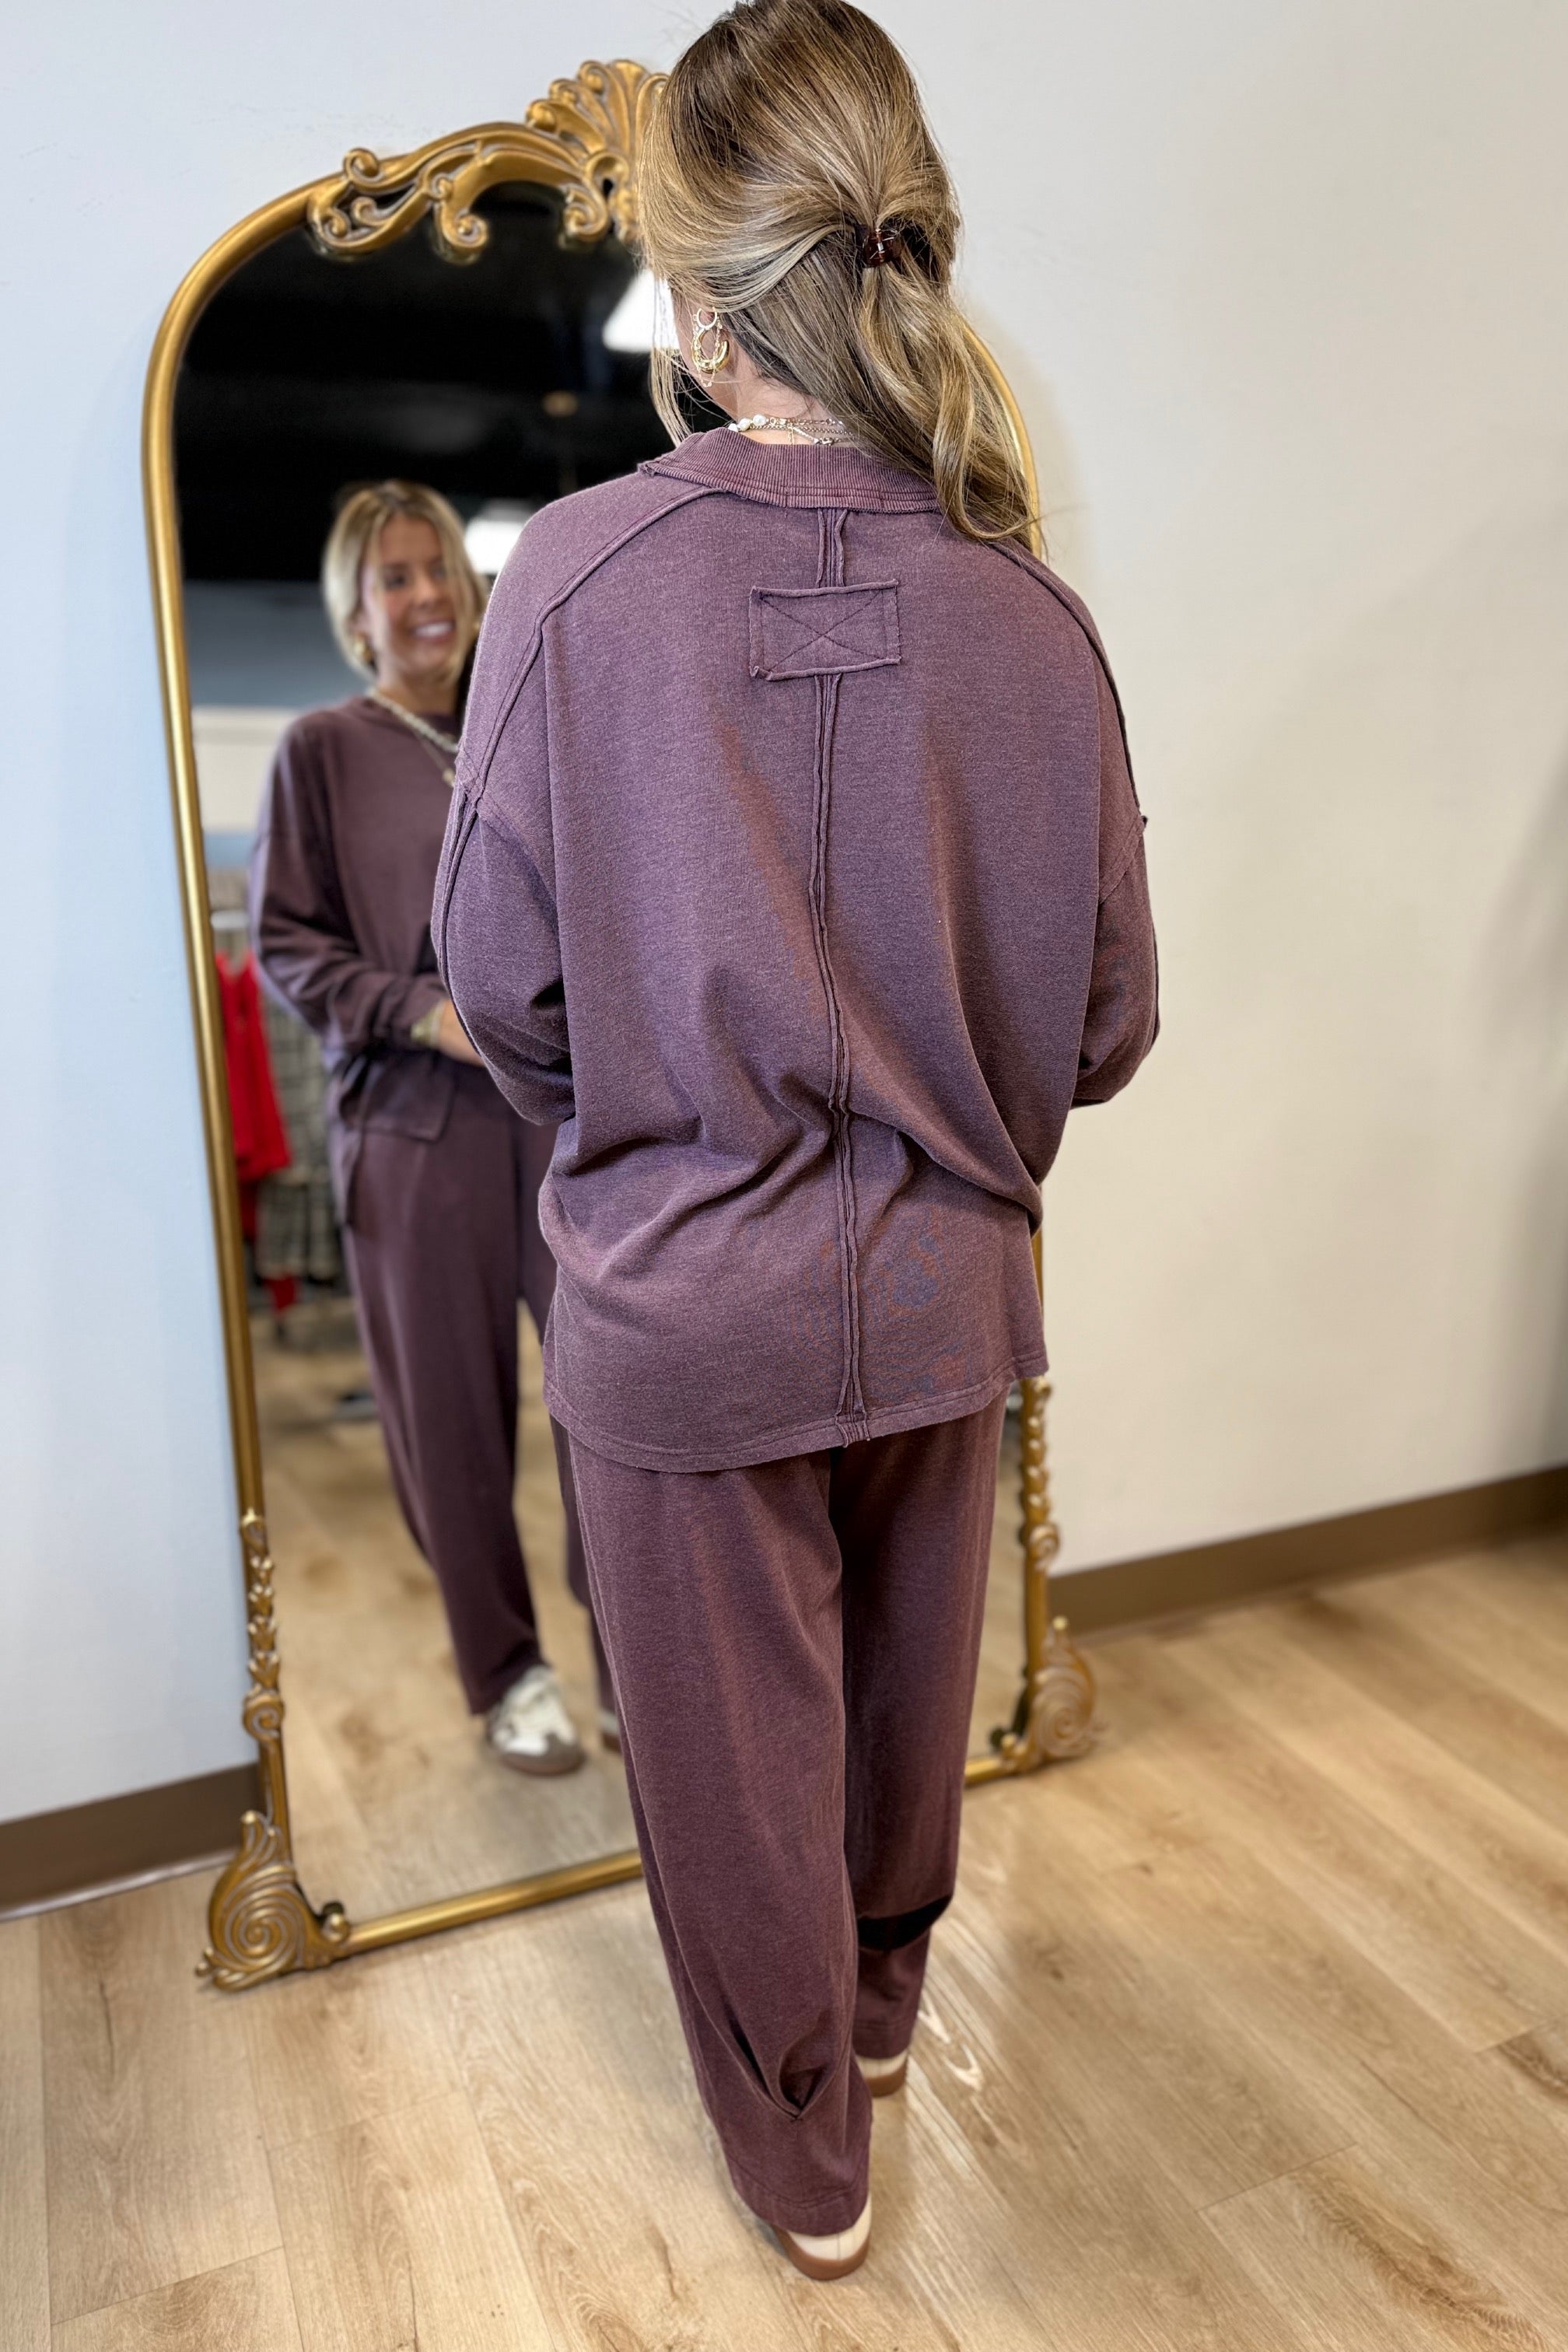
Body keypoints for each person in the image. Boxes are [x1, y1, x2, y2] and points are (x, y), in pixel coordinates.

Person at [436, 0, 1157, 2279]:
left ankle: (803, 2165)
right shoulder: (1034, 613)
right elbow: (1109, 1024)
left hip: (679, 1300)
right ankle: (878, 2033)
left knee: (733, 1776)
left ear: (694, 278)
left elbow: (503, 988)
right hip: (948, 1294)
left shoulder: (573, 585)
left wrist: (668, 1109)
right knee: (900, 1722)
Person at [250, 480, 614, 1775]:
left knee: (612, 1396)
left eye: (440, 569)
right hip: (414, 1129)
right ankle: (509, 1676)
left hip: (562, 1118)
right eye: (394, 578)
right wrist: (420, 1013)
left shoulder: (527, 721)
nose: (426, 597)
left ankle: (632, 1648)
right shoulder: (322, 752)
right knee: (449, 1421)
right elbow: (287, 941)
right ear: (356, 612)